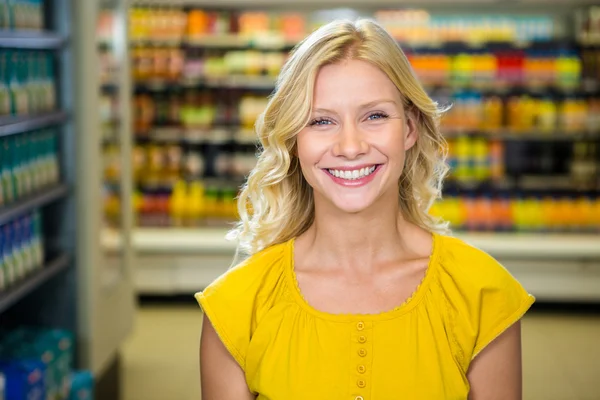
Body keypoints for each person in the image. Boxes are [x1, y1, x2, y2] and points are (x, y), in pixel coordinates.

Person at [196, 19, 534, 400]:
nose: (350, 146)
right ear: (293, 141)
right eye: (321, 121)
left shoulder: (483, 294)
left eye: (374, 116)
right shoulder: (236, 305)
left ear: (409, 129)